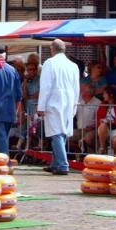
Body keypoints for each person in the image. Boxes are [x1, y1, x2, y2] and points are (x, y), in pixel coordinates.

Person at [37, 38, 79, 174]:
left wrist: (41, 106)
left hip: (54, 101)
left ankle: (62, 164)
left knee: (56, 133)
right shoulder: (73, 65)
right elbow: (76, 87)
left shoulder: (50, 63)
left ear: (52, 49)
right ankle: (55, 163)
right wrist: (74, 105)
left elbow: (46, 86)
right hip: (68, 100)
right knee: (62, 132)